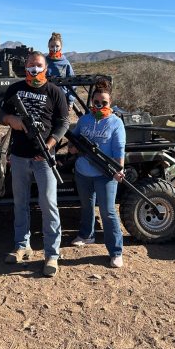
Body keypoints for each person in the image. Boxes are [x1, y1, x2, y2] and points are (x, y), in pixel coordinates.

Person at [0, 51, 69, 277]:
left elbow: (63, 122)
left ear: (45, 67)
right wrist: (12, 120)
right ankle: (21, 246)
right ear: (25, 66)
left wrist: (49, 144)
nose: (34, 69)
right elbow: (1, 115)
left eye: (38, 65)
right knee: (20, 203)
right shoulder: (15, 89)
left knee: (49, 205)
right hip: (19, 157)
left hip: (44, 159)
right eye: (30, 65)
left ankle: (52, 254)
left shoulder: (55, 92)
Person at [68, 78, 126, 268]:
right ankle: (86, 235)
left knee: (108, 212)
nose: (100, 105)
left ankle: (116, 251)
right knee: (86, 206)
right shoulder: (84, 120)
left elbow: (119, 150)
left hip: (105, 174)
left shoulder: (116, 123)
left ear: (110, 102)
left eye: (104, 103)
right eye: (96, 102)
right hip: (83, 172)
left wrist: (118, 169)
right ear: (92, 102)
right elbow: (73, 141)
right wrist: (73, 148)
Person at [46, 32, 76, 110]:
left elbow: (73, 83)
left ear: (61, 47)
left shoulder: (65, 63)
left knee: (62, 121)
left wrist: (71, 100)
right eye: (52, 46)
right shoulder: (44, 62)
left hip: (62, 98)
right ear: (48, 46)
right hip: (46, 98)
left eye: (57, 46)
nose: (55, 49)